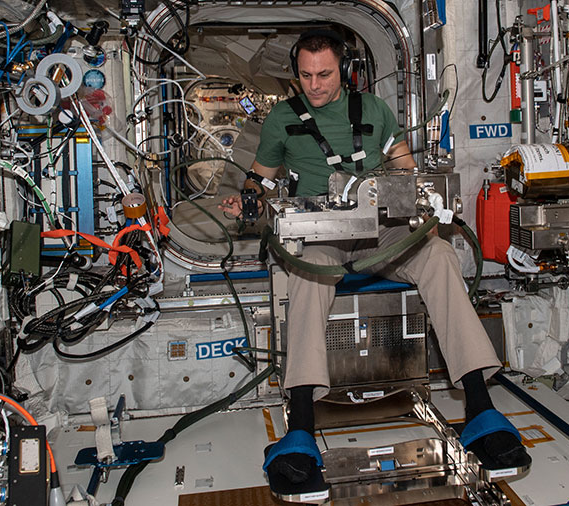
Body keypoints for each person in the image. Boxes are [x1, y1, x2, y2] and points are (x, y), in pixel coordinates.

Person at [220, 30, 530, 495]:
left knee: (440, 255)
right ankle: (301, 427)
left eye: (324, 74)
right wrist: (244, 200)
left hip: (381, 231)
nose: (315, 84)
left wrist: (415, 196)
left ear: (342, 70)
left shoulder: (375, 112)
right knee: (305, 273)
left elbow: (407, 170)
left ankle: (481, 409)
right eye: (305, 75)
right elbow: (258, 181)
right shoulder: (283, 119)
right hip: (321, 236)